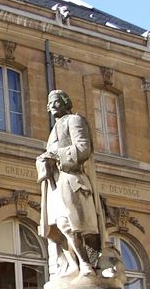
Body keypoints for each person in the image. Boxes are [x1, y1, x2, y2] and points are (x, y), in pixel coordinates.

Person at [36, 89, 109, 278]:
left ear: (65, 102)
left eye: (55, 102)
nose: (51, 106)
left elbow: (83, 148)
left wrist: (56, 156)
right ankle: (78, 264)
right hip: (55, 182)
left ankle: (88, 263)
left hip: (71, 178)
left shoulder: (75, 120)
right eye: (49, 103)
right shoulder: (54, 130)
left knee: (76, 225)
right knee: (59, 224)